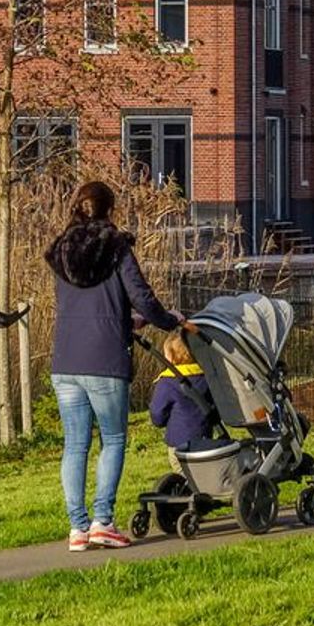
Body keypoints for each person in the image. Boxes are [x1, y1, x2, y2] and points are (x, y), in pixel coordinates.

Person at [46, 178, 187, 550]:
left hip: (65, 360)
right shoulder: (117, 248)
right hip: (105, 359)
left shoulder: (62, 250)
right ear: (110, 210)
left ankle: (77, 528)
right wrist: (169, 320)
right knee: (113, 439)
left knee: (74, 445)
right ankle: (102, 521)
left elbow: (87, 306)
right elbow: (141, 296)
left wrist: (126, 320)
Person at [149, 331, 219, 451]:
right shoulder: (206, 377)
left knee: (182, 468)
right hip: (205, 438)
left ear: (170, 357)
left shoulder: (167, 382)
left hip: (178, 441)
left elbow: (157, 415)